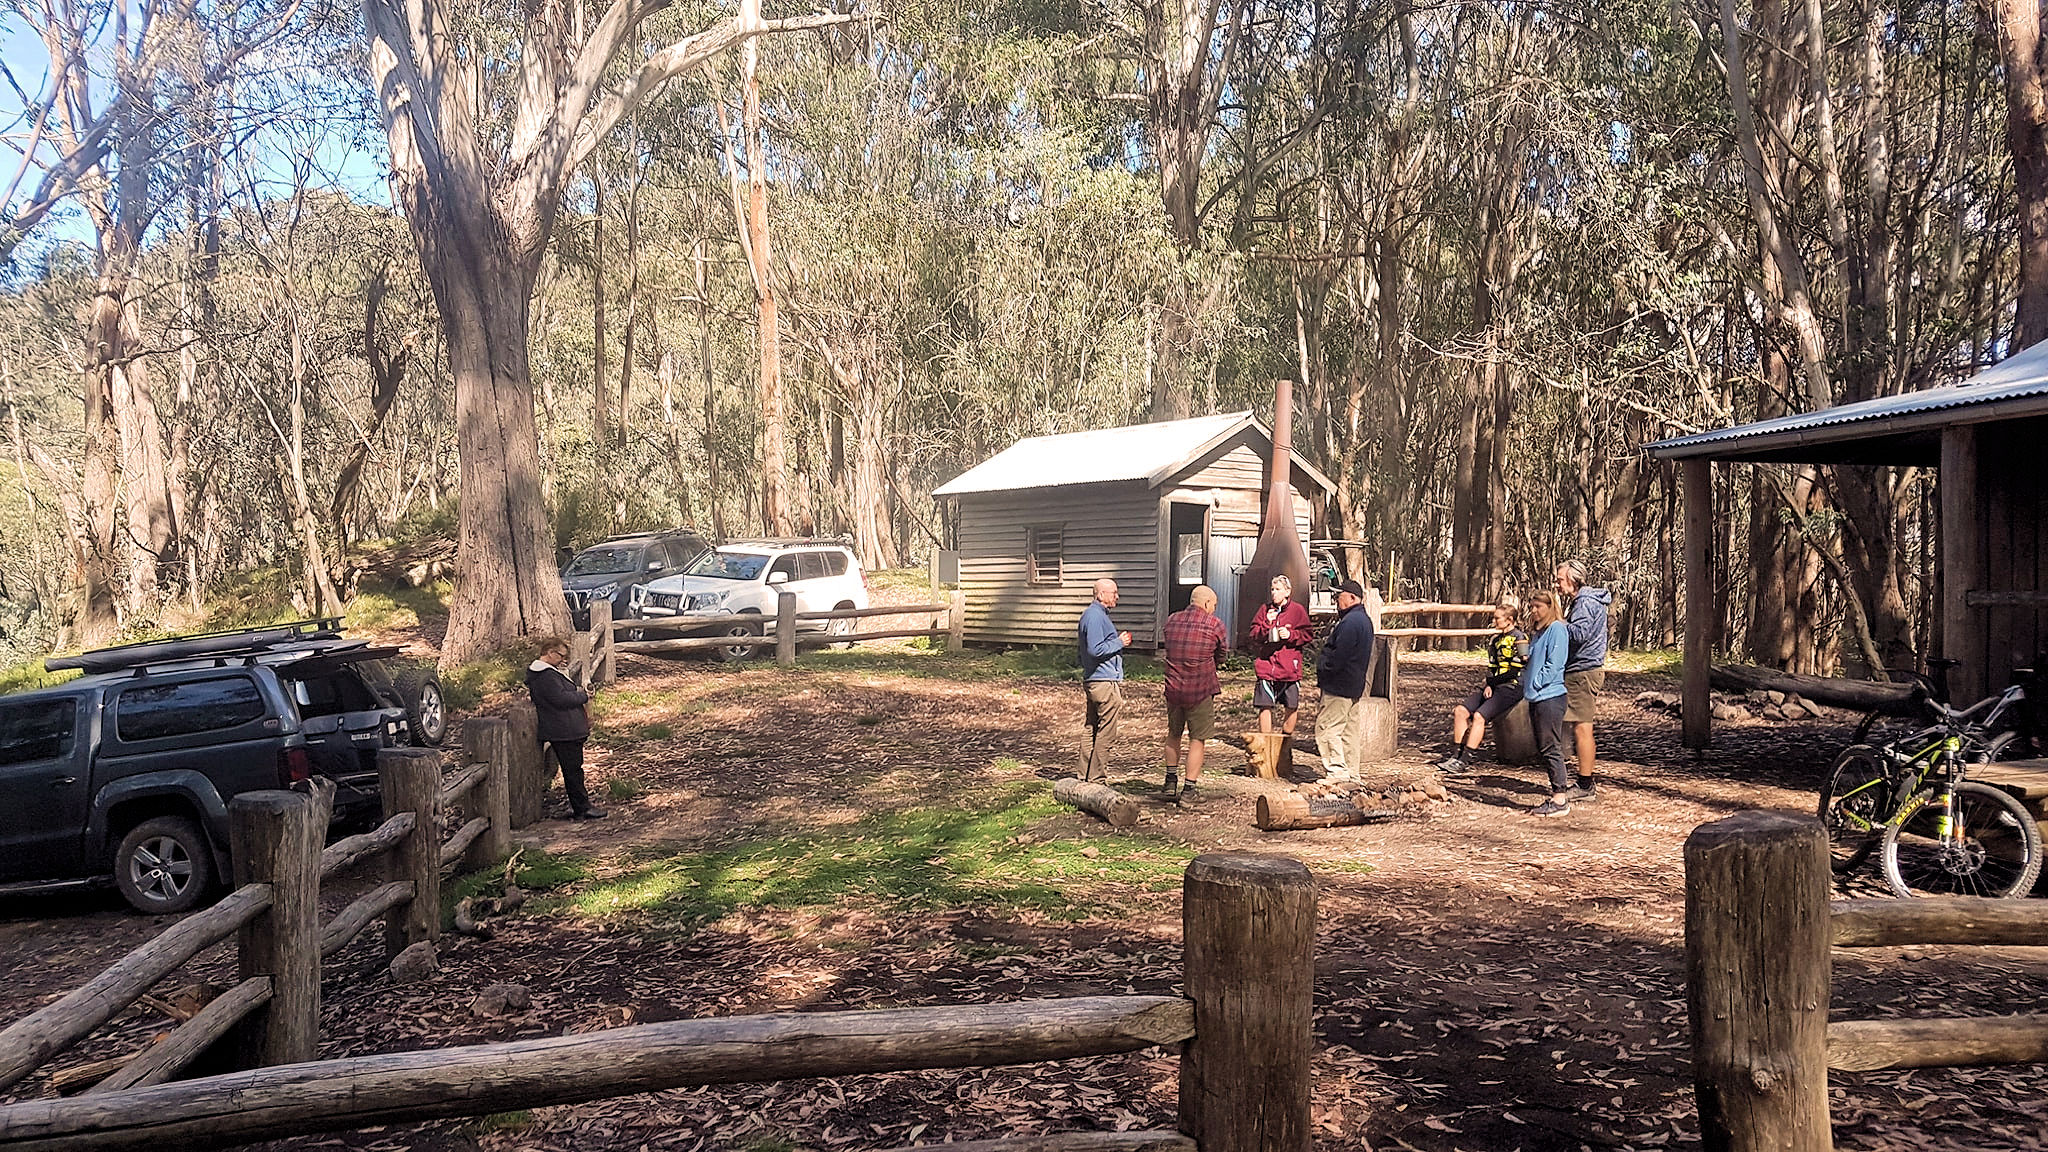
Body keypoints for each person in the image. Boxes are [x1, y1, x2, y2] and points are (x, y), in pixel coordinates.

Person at [1435, 596, 1528, 775]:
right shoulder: (1494, 640)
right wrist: (1489, 684)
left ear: (1509, 620)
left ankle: (1465, 760)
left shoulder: (1520, 638)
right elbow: (1492, 667)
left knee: (1479, 716)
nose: (1493, 621)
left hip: (1512, 687)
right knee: (1460, 711)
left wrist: (1491, 683)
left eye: (1497, 618)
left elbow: (1516, 670)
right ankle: (1455, 755)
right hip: (1494, 685)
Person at [525, 637, 606, 820]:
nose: (563, 659)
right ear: (550, 653)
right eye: (561, 655)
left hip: (565, 728)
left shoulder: (546, 673)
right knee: (573, 771)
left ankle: (580, 805)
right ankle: (582, 808)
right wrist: (582, 696)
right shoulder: (545, 676)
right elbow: (560, 699)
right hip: (564, 730)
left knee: (573, 770)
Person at [1161, 584, 1228, 802]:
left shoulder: (1171, 621)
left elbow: (1169, 647)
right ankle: (1189, 790)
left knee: (1173, 734)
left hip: (1174, 689)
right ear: (1207, 603)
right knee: (1197, 740)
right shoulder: (1214, 624)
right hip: (1200, 689)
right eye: (1214, 605)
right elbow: (1222, 654)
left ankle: (1170, 782)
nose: (1214, 610)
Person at [1555, 560, 1613, 802]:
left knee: (1582, 727)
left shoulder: (1585, 603)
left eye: (1560, 579)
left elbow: (1579, 635)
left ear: (1573, 579)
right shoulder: (1584, 602)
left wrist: (1557, 623)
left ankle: (1585, 784)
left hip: (1583, 672)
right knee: (1577, 726)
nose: (1557, 584)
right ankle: (1580, 780)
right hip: (1580, 671)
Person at [1314, 579, 1375, 782]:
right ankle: (1352, 774)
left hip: (1338, 686)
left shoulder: (1350, 623)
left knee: (1327, 728)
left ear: (1351, 598)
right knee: (1349, 732)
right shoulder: (1364, 620)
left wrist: (1324, 669)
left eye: (1338, 595)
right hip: (1354, 686)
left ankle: (1337, 772)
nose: (1335, 600)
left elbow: (1339, 656)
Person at [1523, 590, 1574, 816]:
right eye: (1532, 606)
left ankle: (1560, 799)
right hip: (1536, 696)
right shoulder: (1538, 632)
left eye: (1538, 607)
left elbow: (1555, 664)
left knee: (1551, 746)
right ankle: (1557, 794)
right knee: (1544, 746)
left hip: (1550, 696)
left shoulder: (1557, 629)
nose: (1534, 611)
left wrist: (1536, 682)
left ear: (1550, 607)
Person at [1077, 577, 1133, 783]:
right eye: (1113, 593)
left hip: (1095, 678)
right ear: (1101, 595)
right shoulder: (1094, 617)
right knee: (1106, 731)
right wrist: (1119, 642)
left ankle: (1084, 775)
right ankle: (1097, 778)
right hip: (1103, 681)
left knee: (1092, 726)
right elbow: (1094, 649)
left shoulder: (1094, 616)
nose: (1117, 596)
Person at [1248, 575, 1313, 747]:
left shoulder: (1297, 611)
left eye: (1278, 589)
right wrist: (1266, 625)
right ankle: (1267, 743)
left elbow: (1308, 635)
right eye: (1272, 589)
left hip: (1289, 667)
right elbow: (1253, 634)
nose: (1274, 593)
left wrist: (1291, 635)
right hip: (1267, 666)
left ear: (1287, 592)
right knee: (1264, 705)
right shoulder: (1264, 610)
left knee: (1291, 705)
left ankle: (1285, 741)